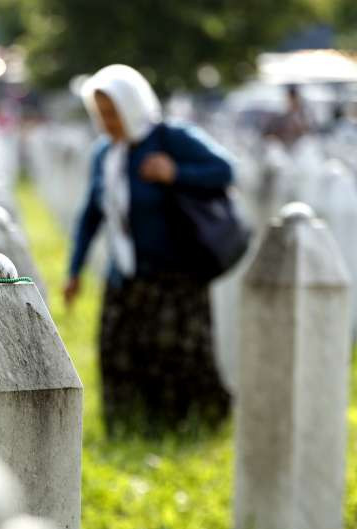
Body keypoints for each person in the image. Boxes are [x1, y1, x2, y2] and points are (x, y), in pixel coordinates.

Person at [63, 64, 233, 436]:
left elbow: (224, 170)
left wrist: (176, 173)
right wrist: (74, 270)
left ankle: (185, 431)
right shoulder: (105, 154)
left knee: (177, 360)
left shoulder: (170, 138)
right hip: (124, 277)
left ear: (132, 105)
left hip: (176, 278)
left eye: (112, 112)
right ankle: (127, 429)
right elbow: (91, 215)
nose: (107, 122)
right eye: (100, 113)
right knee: (119, 354)